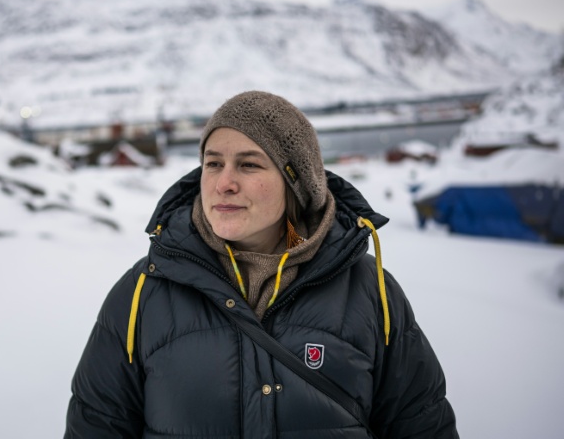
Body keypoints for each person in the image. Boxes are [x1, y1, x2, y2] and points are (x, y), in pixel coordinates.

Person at [65, 91, 458, 438]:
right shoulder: (142, 294)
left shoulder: (371, 293)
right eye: (213, 163)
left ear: (296, 184)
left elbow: (421, 423)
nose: (224, 183)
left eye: (249, 165)